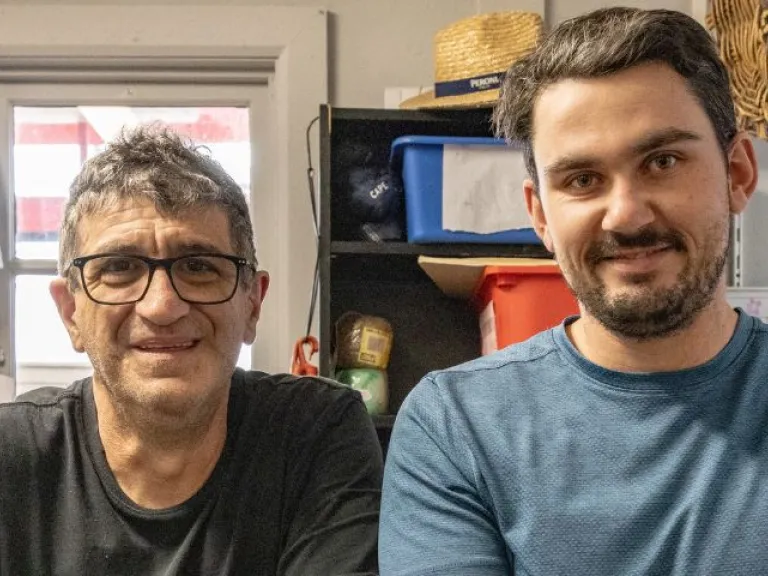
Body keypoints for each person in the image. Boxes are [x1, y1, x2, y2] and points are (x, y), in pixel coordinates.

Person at [380, 7, 768, 576]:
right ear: (539, 214)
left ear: (737, 173)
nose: (627, 215)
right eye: (582, 180)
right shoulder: (456, 427)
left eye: (662, 161)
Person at [0, 126, 383, 575]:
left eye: (199, 266)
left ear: (252, 304)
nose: (162, 306)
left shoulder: (316, 434)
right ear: (71, 314)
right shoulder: (12, 456)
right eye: (119, 268)